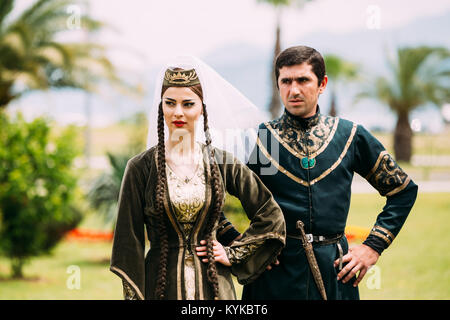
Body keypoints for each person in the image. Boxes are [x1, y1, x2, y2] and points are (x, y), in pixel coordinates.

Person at [242, 46, 418, 300]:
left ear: (322, 84)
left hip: (335, 272)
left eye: (303, 80)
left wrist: (373, 247)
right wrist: (244, 246)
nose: (294, 90)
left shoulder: (349, 136)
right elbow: (213, 195)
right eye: (286, 81)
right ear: (278, 84)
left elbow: (403, 190)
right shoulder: (258, 139)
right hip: (273, 277)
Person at [110, 56, 286, 300]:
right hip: (160, 287)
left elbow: (269, 213)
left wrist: (232, 253)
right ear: (161, 106)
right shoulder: (141, 168)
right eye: (170, 103)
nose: (178, 112)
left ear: (202, 107)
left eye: (188, 104)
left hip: (215, 288)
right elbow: (128, 242)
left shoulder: (222, 162)